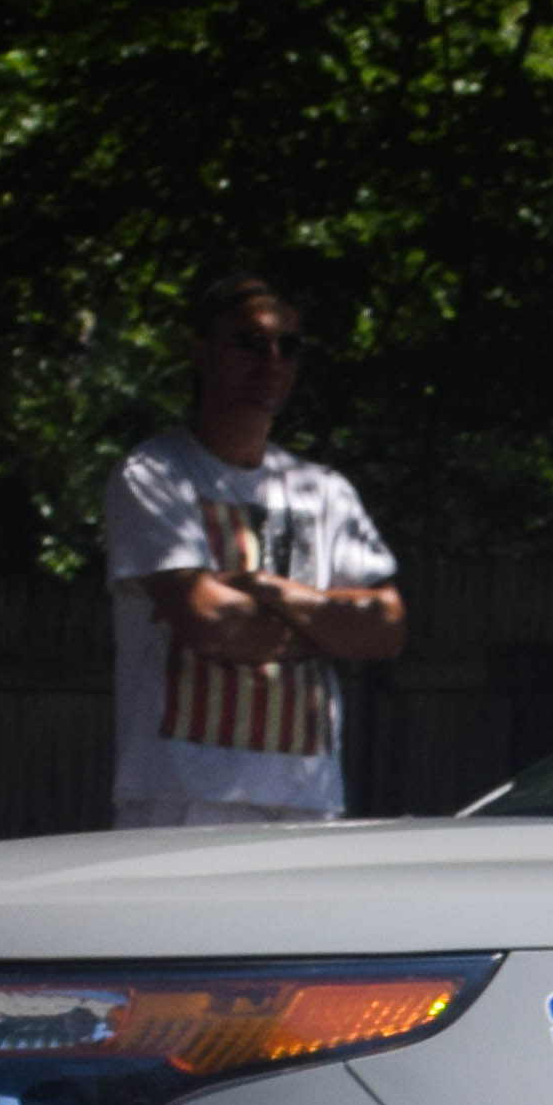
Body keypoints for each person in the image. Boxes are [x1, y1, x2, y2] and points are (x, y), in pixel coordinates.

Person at [106, 275, 404, 827]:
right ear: (201, 353)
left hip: (307, 797)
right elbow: (213, 623)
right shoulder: (156, 474)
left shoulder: (323, 489)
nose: (271, 360)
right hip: (182, 792)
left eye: (287, 346)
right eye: (248, 342)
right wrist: (323, 626)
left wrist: (269, 587)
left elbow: (384, 629)